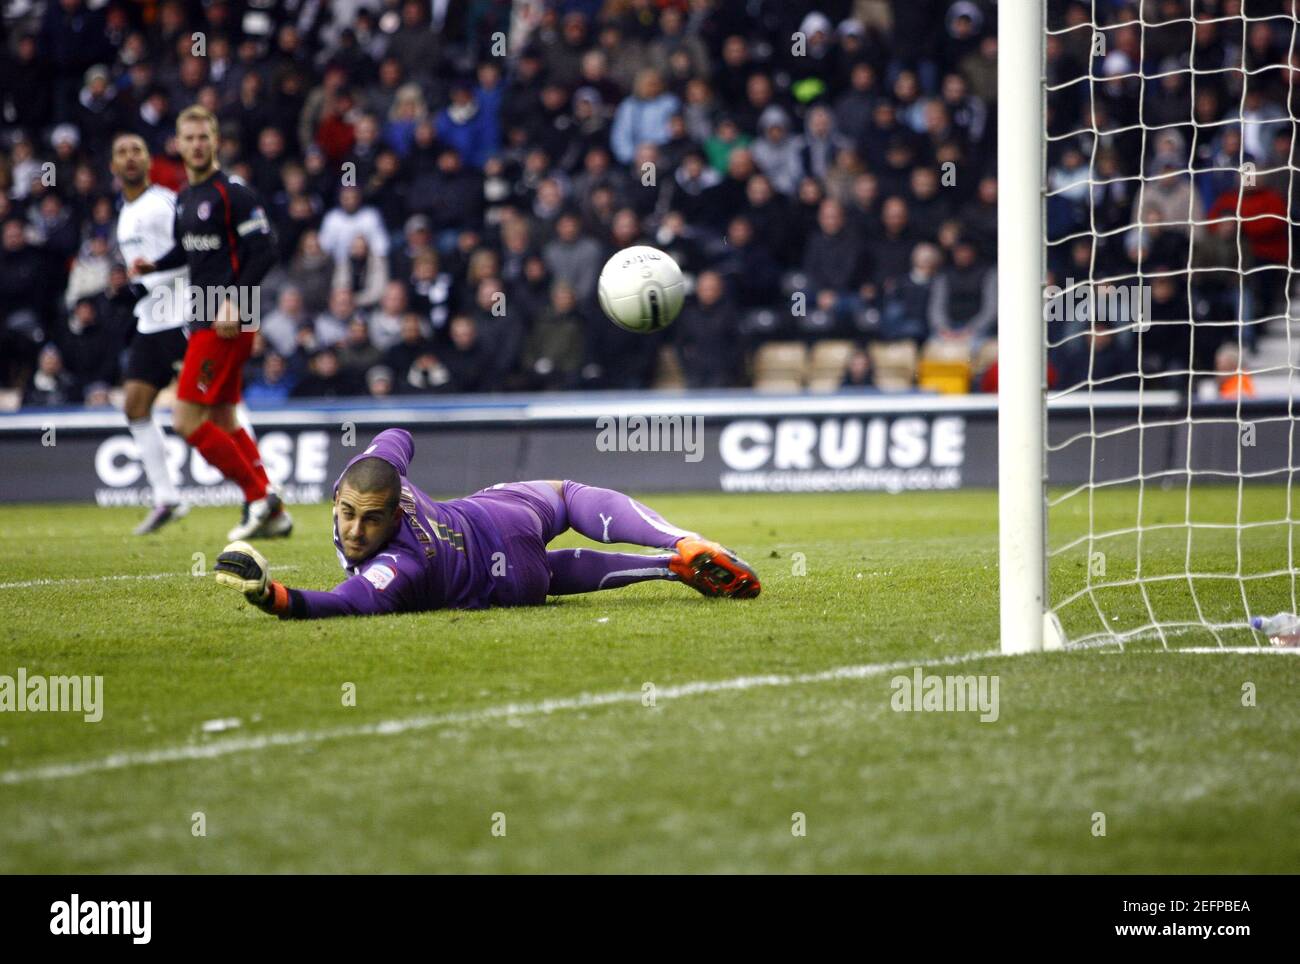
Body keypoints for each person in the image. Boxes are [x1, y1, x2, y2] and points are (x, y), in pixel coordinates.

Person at [214, 428, 761, 618]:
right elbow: (397, 437)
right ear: (337, 496)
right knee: (567, 496)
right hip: (498, 516)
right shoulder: (385, 485)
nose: (356, 531)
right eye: (349, 515)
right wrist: (378, 453)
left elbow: (342, 603)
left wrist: (273, 596)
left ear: (398, 508)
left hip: (512, 583)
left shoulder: (396, 566)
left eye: (372, 520)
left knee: (546, 571)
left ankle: (669, 565)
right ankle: (679, 541)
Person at [129, 105, 290, 541]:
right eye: (190, 138)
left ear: (215, 141)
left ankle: (259, 498)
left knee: (185, 418)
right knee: (222, 416)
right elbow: (189, 252)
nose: (197, 145)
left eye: (204, 137)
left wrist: (234, 303)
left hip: (227, 319)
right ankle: (273, 510)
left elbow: (266, 250)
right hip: (204, 313)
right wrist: (153, 267)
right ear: (178, 145)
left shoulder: (233, 192)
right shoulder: (185, 196)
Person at [110, 132, 190, 534]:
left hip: (180, 315)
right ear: (113, 165)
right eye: (121, 152)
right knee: (135, 406)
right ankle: (167, 497)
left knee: (212, 405)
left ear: (148, 160)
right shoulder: (123, 213)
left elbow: (192, 251)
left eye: (137, 151)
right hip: (151, 318)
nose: (129, 158)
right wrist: (132, 291)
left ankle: (263, 489)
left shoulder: (163, 203)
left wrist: (148, 279)